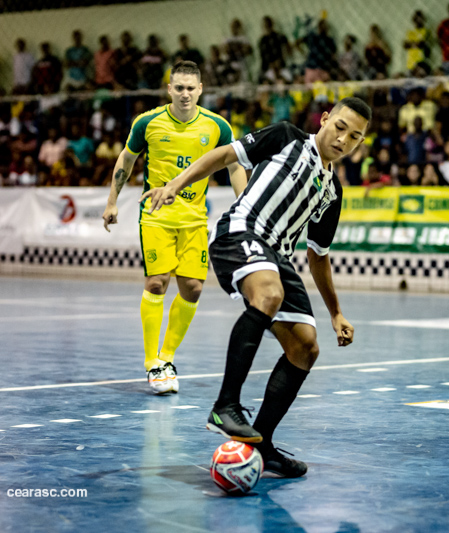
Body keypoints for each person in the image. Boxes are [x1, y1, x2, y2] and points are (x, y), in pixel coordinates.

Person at [140, 97, 371, 477]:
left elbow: (318, 256)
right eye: (341, 127)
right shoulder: (286, 137)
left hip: (279, 258)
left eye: (355, 137)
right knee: (269, 294)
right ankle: (225, 405)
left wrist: (336, 313)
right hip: (241, 232)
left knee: (305, 347)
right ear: (325, 119)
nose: (344, 139)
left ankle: (260, 444)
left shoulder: (333, 192)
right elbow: (224, 156)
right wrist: (176, 183)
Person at [102, 61, 246, 394]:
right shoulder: (147, 122)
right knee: (156, 282)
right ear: (169, 89)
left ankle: (168, 357)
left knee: (193, 288)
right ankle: (153, 363)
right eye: (178, 87)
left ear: (200, 90)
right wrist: (112, 202)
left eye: (190, 88)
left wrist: (245, 205)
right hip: (156, 215)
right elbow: (126, 159)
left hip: (194, 218)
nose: (184, 94)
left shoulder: (217, 127)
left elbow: (234, 165)